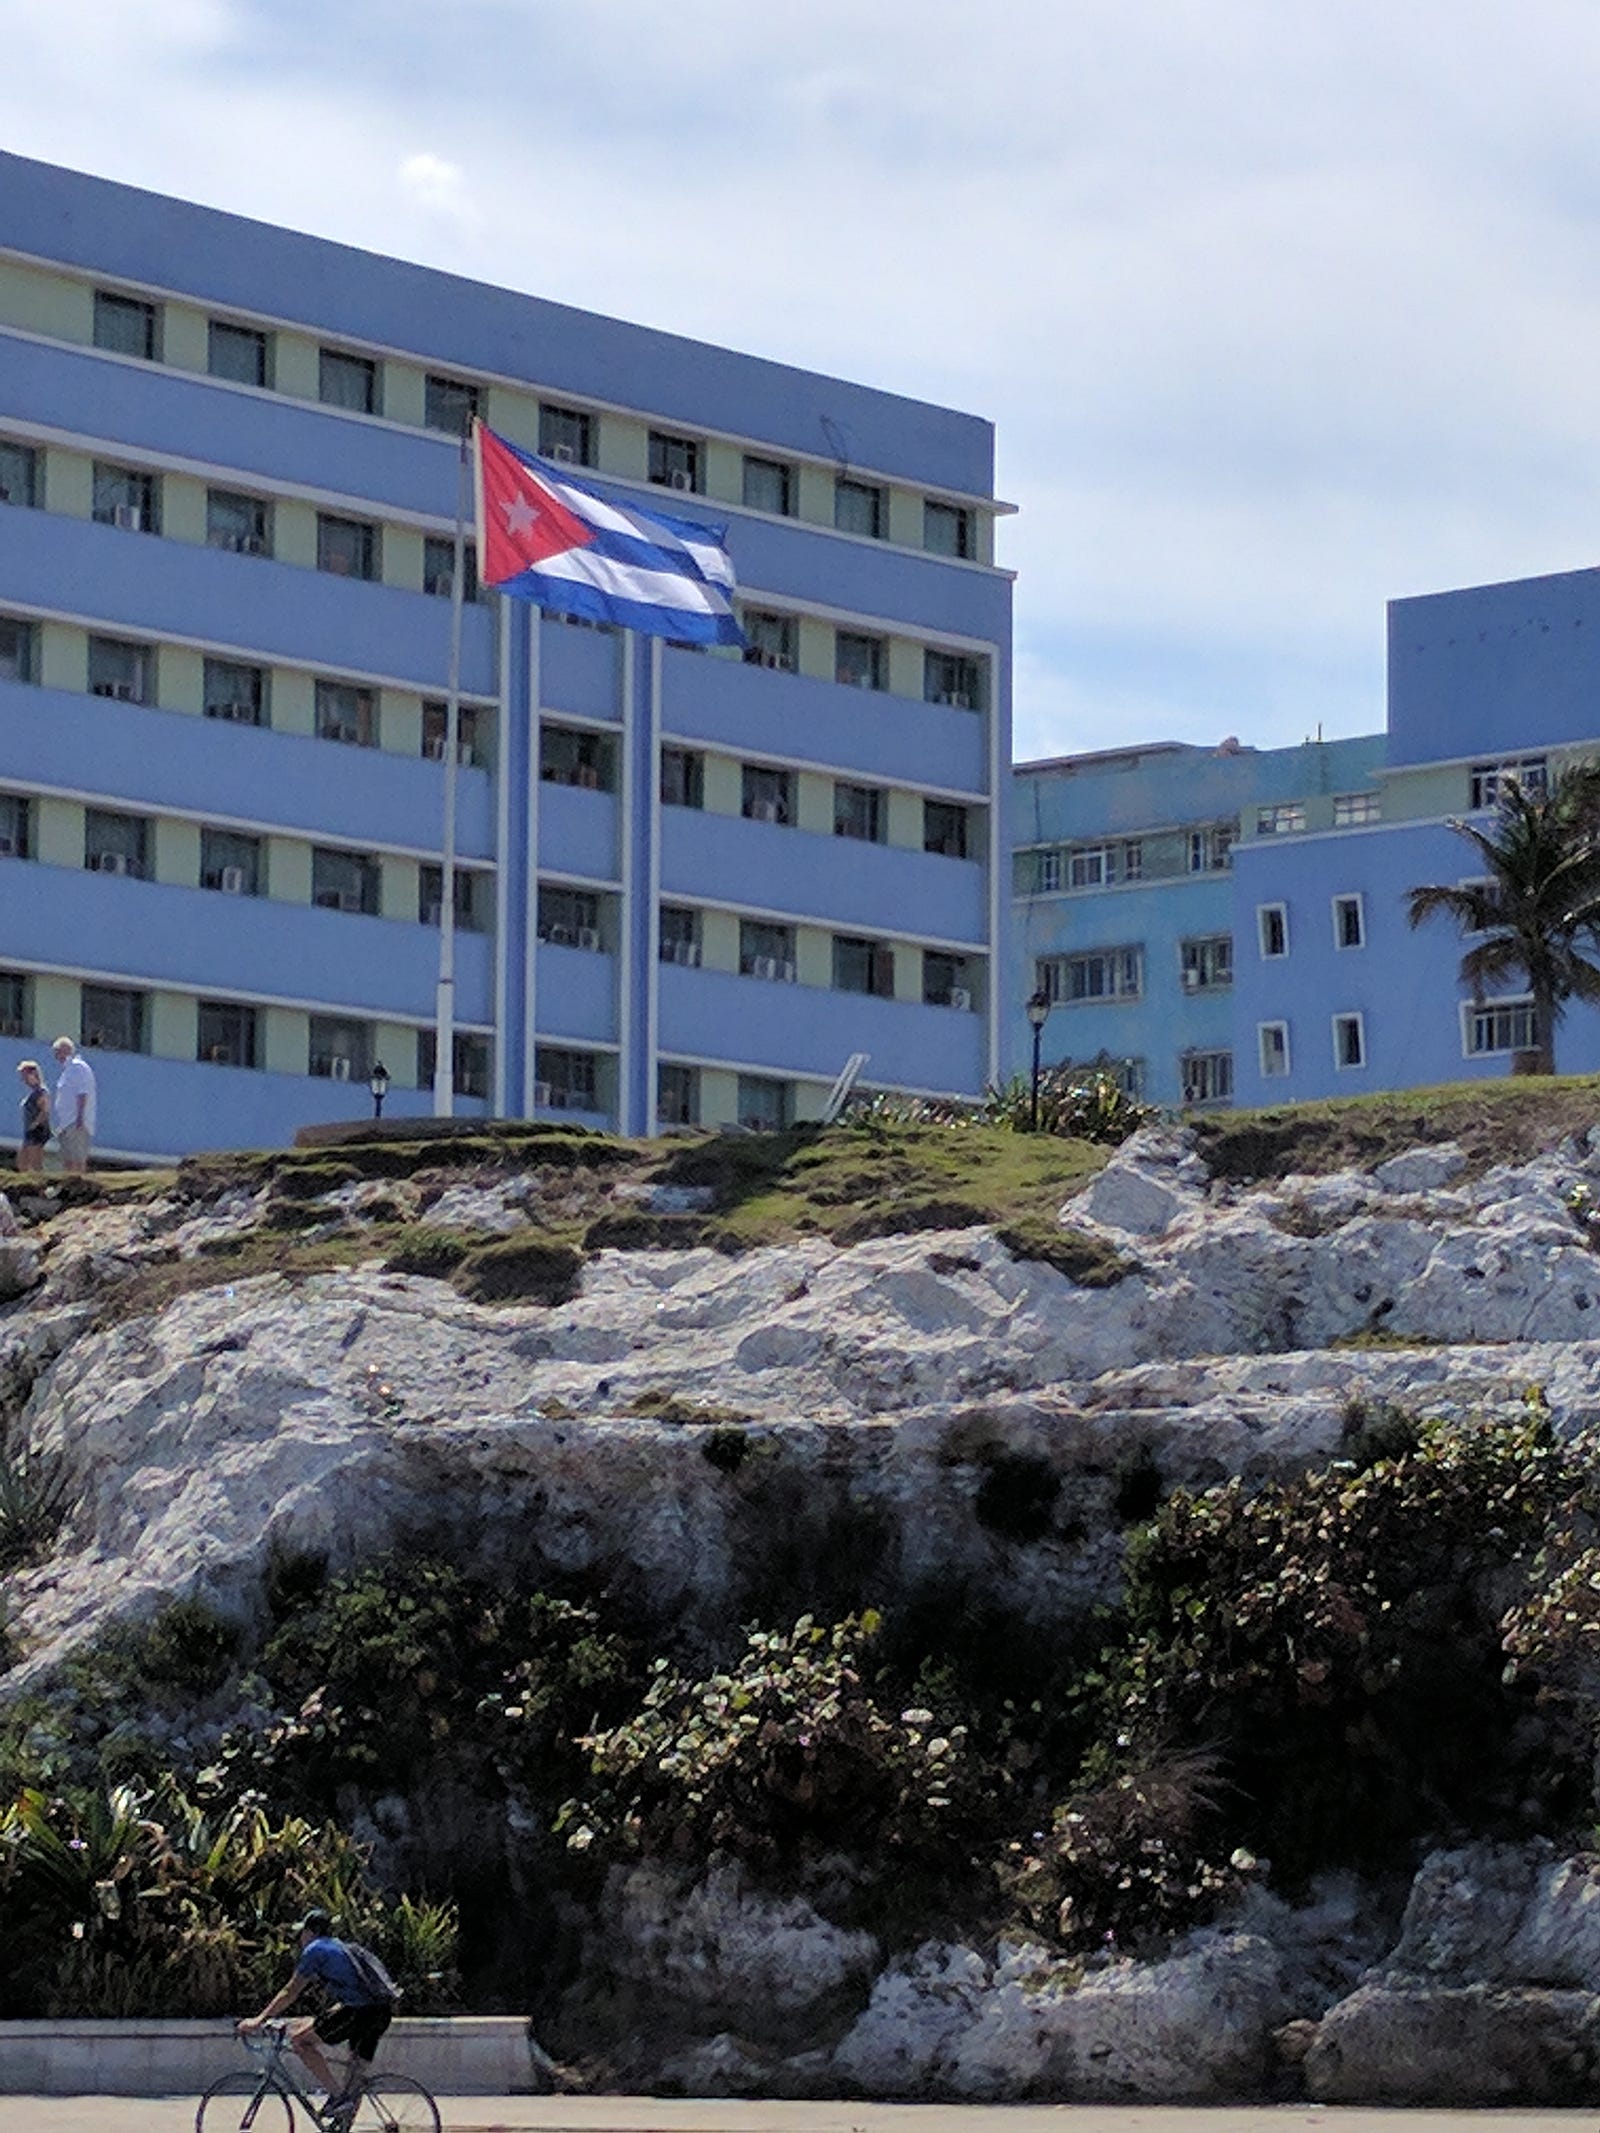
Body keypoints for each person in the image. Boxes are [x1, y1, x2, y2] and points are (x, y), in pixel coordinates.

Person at [239, 1910, 393, 2115]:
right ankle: (343, 2118)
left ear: (310, 1932)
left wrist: (259, 2020)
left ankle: (337, 2098)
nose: (300, 1938)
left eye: (302, 1932)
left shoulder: (315, 1950)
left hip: (360, 2013)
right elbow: (354, 1992)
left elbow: (290, 1991)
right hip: (380, 2012)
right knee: (353, 2074)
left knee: (300, 2042)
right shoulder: (340, 1947)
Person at [50, 1037, 95, 1174]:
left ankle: (78, 1183)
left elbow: (82, 1093)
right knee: (67, 1159)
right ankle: (69, 1182)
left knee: (77, 1158)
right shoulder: (67, 1070)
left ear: (66, 1050)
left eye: (57, 1051)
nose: (56, 1055)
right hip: (66, 1122)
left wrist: (80, 1118)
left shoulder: (78, 1067)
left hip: (75, 1121)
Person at [15, 1061, 49, 1173]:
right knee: (22, 1160)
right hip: (29, 1131)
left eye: (25, 1076)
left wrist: (35, 1124)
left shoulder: (41, 1091)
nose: (23, 1079)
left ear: (33, 1074)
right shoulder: (33, 1092)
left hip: (36, 1131)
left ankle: (40, 1182)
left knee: (35, 1163)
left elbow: (45, 1110)